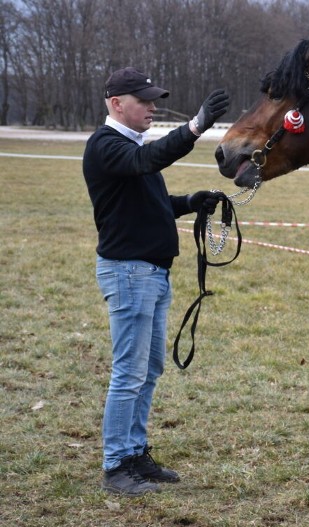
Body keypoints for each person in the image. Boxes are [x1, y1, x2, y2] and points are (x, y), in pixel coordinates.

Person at [83, 67, 230, 496]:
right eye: (144, 100)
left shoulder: (131, 147)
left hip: (149, 274)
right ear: (116, 104)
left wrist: (189, 202)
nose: (152, 106)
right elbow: (146, 162)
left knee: (148, 369)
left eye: (153, 99)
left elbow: (150, 203)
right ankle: (116, 466)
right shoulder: (107, 146)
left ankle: (134, 455)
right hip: (129, 273)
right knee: (128, 373)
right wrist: (195, 127)